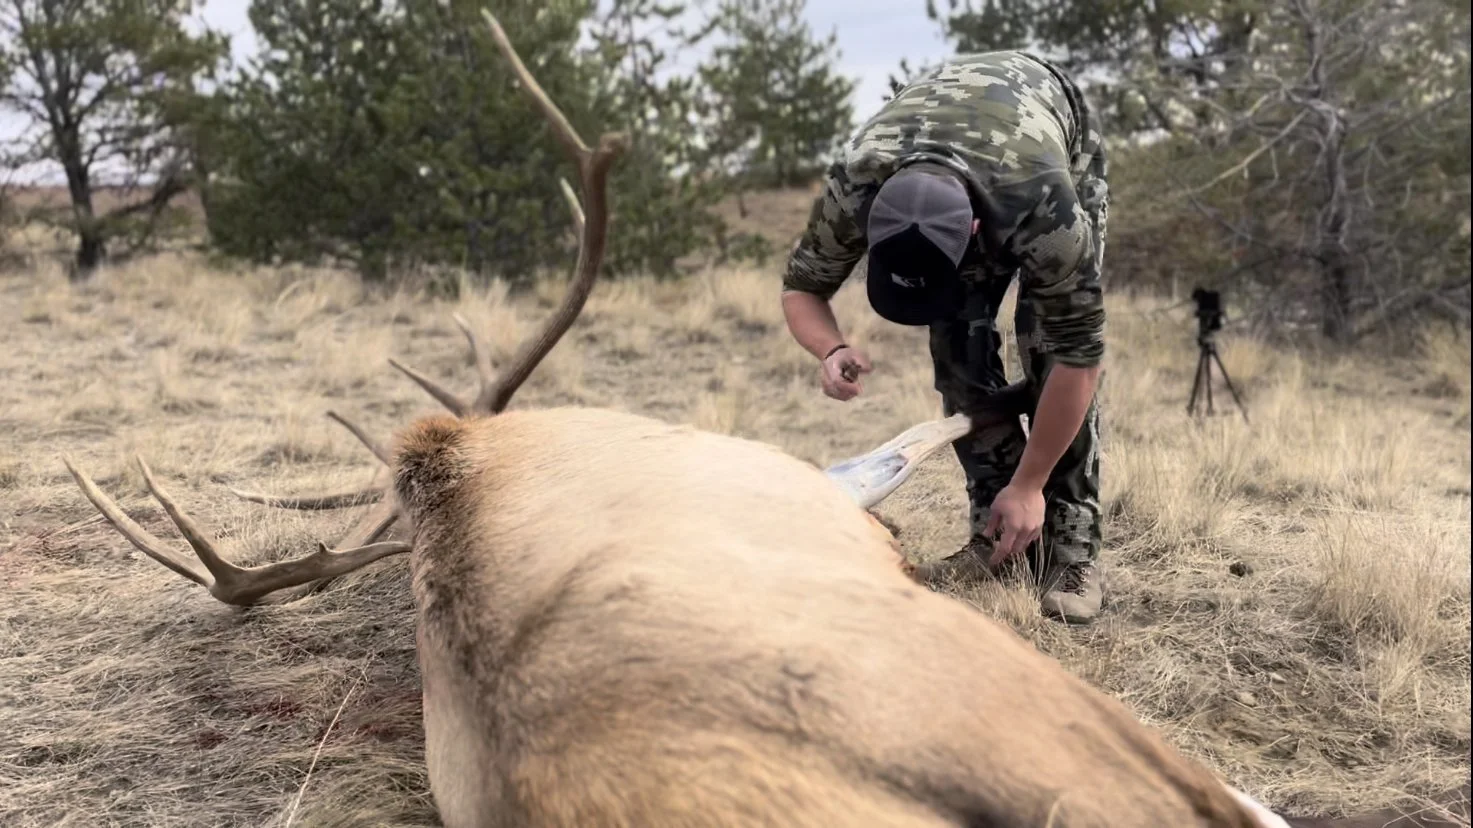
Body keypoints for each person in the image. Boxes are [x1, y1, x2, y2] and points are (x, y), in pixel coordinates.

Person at [779, 50, 1111, 624]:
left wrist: (1032, 482)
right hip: (950, 147)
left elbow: (1080, 360)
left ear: (975, 232)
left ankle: (1071, 546)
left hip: (1045, 143)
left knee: (1047, 349)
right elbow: (801, 288)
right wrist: (830, 348)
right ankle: (998, 537)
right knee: (957, 349)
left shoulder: (1043, 207)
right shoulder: (856, 184)